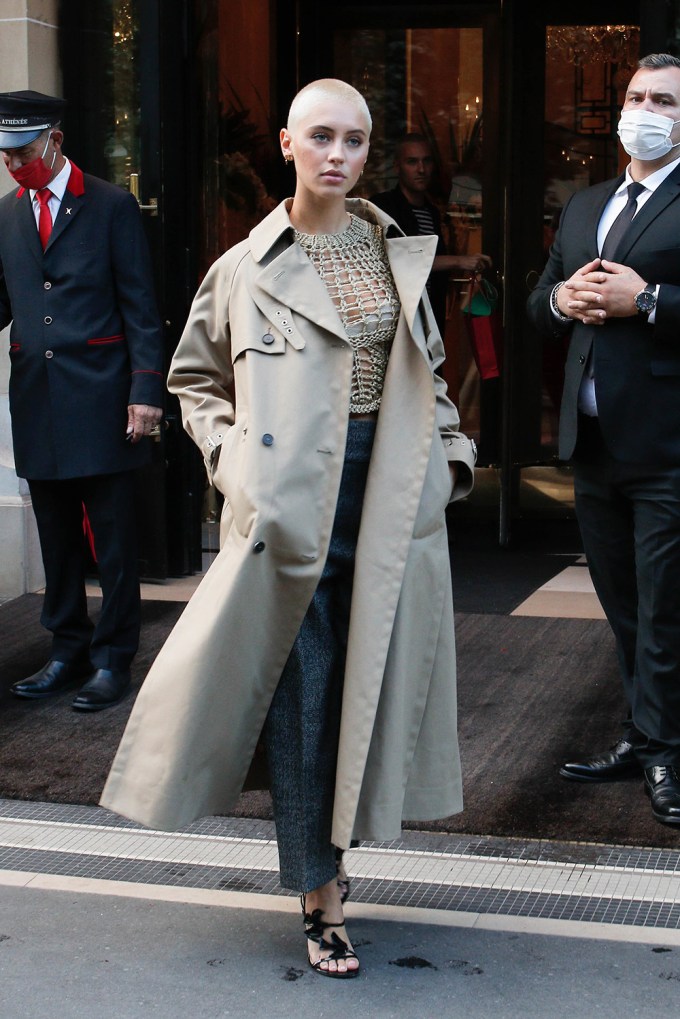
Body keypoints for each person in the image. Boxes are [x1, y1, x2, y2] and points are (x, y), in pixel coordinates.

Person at [101, 78, 476, 976]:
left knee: (367, 693)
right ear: (286, 145)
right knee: (305, 702)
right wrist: (238, 468)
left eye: (354, 140)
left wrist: (451, 462)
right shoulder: (243, 267)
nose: (339, 155)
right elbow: (194, 382)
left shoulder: (398, 254)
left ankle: (335, 868)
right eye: (321, 137)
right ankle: (322, 898)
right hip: (287, 507)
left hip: (386, 500)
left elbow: (431, 371)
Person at [526, 53, 680, 827]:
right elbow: (538, 298)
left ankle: (663, 749)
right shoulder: (586, 202)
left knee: (665, 608)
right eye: (636, 95)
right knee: (622, 605)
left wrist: (645, 297)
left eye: (663, 100)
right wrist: (563, 295)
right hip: (593, 444)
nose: (644, 109)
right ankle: (645, 732)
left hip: (667, 446)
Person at [0, 90, 164, 711]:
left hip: (103, 399)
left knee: (116, 542)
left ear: (55, 141)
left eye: (23, 152)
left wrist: (145, 391)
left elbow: (141, 309)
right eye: (5, 157)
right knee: (56, 536)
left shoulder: (112, 206)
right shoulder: (5, 214)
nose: (15, 166)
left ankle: (112, 658)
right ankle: (66, 650)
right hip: (37, 399)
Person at [370, 132, 491, 333]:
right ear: (397, 166)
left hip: (428, 316)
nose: (421, 169)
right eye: (412, 162)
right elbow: (399, 260)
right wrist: (460, 261)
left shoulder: (432, 212)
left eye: (427, 161)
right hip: (395, 318)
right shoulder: (384, 207)